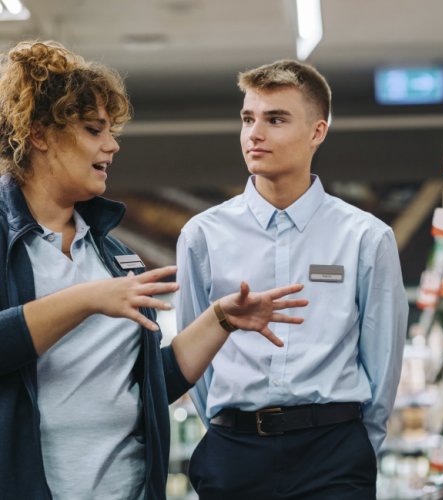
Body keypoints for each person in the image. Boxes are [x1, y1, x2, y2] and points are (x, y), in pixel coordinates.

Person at [0, 40, 308, 500]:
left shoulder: (112, 255)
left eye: (111, 130)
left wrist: (221, 319)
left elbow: (145, 387)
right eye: (93, 129)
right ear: (40, 134)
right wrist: (86, 300)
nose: (112, 144)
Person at [176, 59, 408, 499]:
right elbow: (193, 359)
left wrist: (358, 447)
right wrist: (231, 429)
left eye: (275, 119)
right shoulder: (202, 236)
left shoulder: (365, 237)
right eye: (248, 119)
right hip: (234, 454)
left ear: (317, 132)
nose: (254, 134)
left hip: (333, 454)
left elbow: (383, 360)